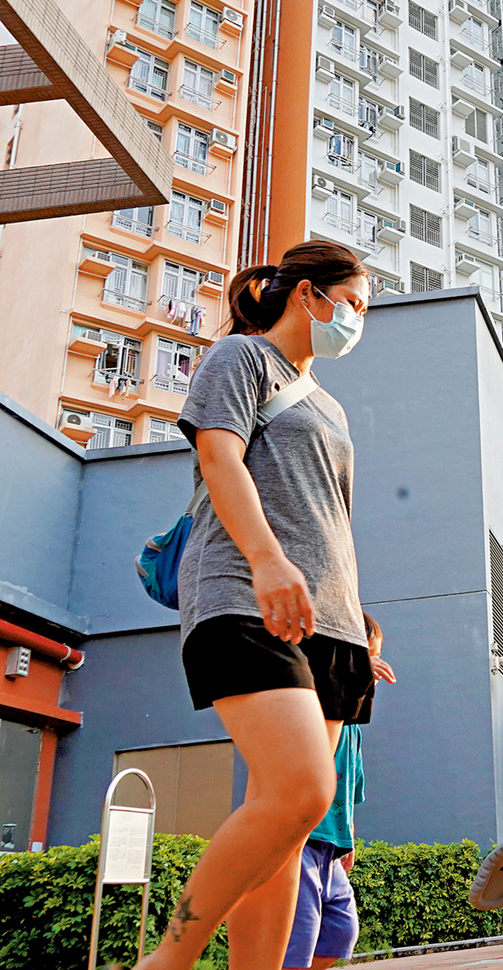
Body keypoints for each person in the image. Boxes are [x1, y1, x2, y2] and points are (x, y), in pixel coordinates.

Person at [135, 242, 373, 970]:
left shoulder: (329, 404)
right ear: (308, 294)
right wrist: (268, 561)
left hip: (329, 620)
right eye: (352, 303)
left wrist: (359, 623)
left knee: (290, 824)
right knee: (302, 791)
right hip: (243, 593)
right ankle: (167, 960)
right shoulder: (241, 358)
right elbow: (219, 459)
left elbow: (329, 516)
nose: (358, 320)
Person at [283, 613, 397, 970]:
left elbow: (350, 794)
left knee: (341, 932)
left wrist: (349, 840)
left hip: (332, 849)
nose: (373, 669)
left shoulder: (352, 731)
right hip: (305, 841)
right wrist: (357, 669)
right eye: (366, 658)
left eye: (375, 658)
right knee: (300, 935)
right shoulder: (315, 711)